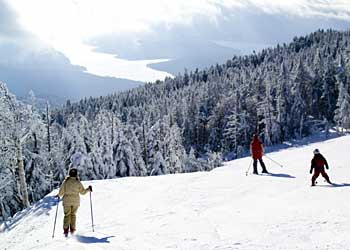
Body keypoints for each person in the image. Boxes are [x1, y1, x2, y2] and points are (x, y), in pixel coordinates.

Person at [57, 168, 92, 236]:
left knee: (67, 215)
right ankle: (72, 230)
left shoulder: (66, 181)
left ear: (69, 173)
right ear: (76, 174)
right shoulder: (77, 182)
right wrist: (88, 189)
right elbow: (83, 192)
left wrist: (58, 195)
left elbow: (61, 192)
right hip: (75, 201)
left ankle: (66, 231)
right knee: (73, 215)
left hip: (67, 201)